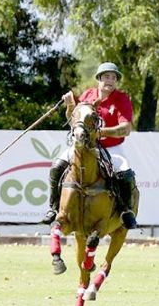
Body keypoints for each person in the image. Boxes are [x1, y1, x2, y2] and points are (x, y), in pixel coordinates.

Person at [39, 62, 139, 229]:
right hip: (84, 146)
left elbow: (126, 129)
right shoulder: (88, 96)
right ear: (99, 79)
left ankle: (126, 211)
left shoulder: (122, 99)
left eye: (114, 78)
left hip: (111, 147)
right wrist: (70, 105)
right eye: (107, 76)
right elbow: (73, 120)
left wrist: (100, 133)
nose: (110, 80)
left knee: (125, 172)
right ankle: (54, 207)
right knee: (57, 166)